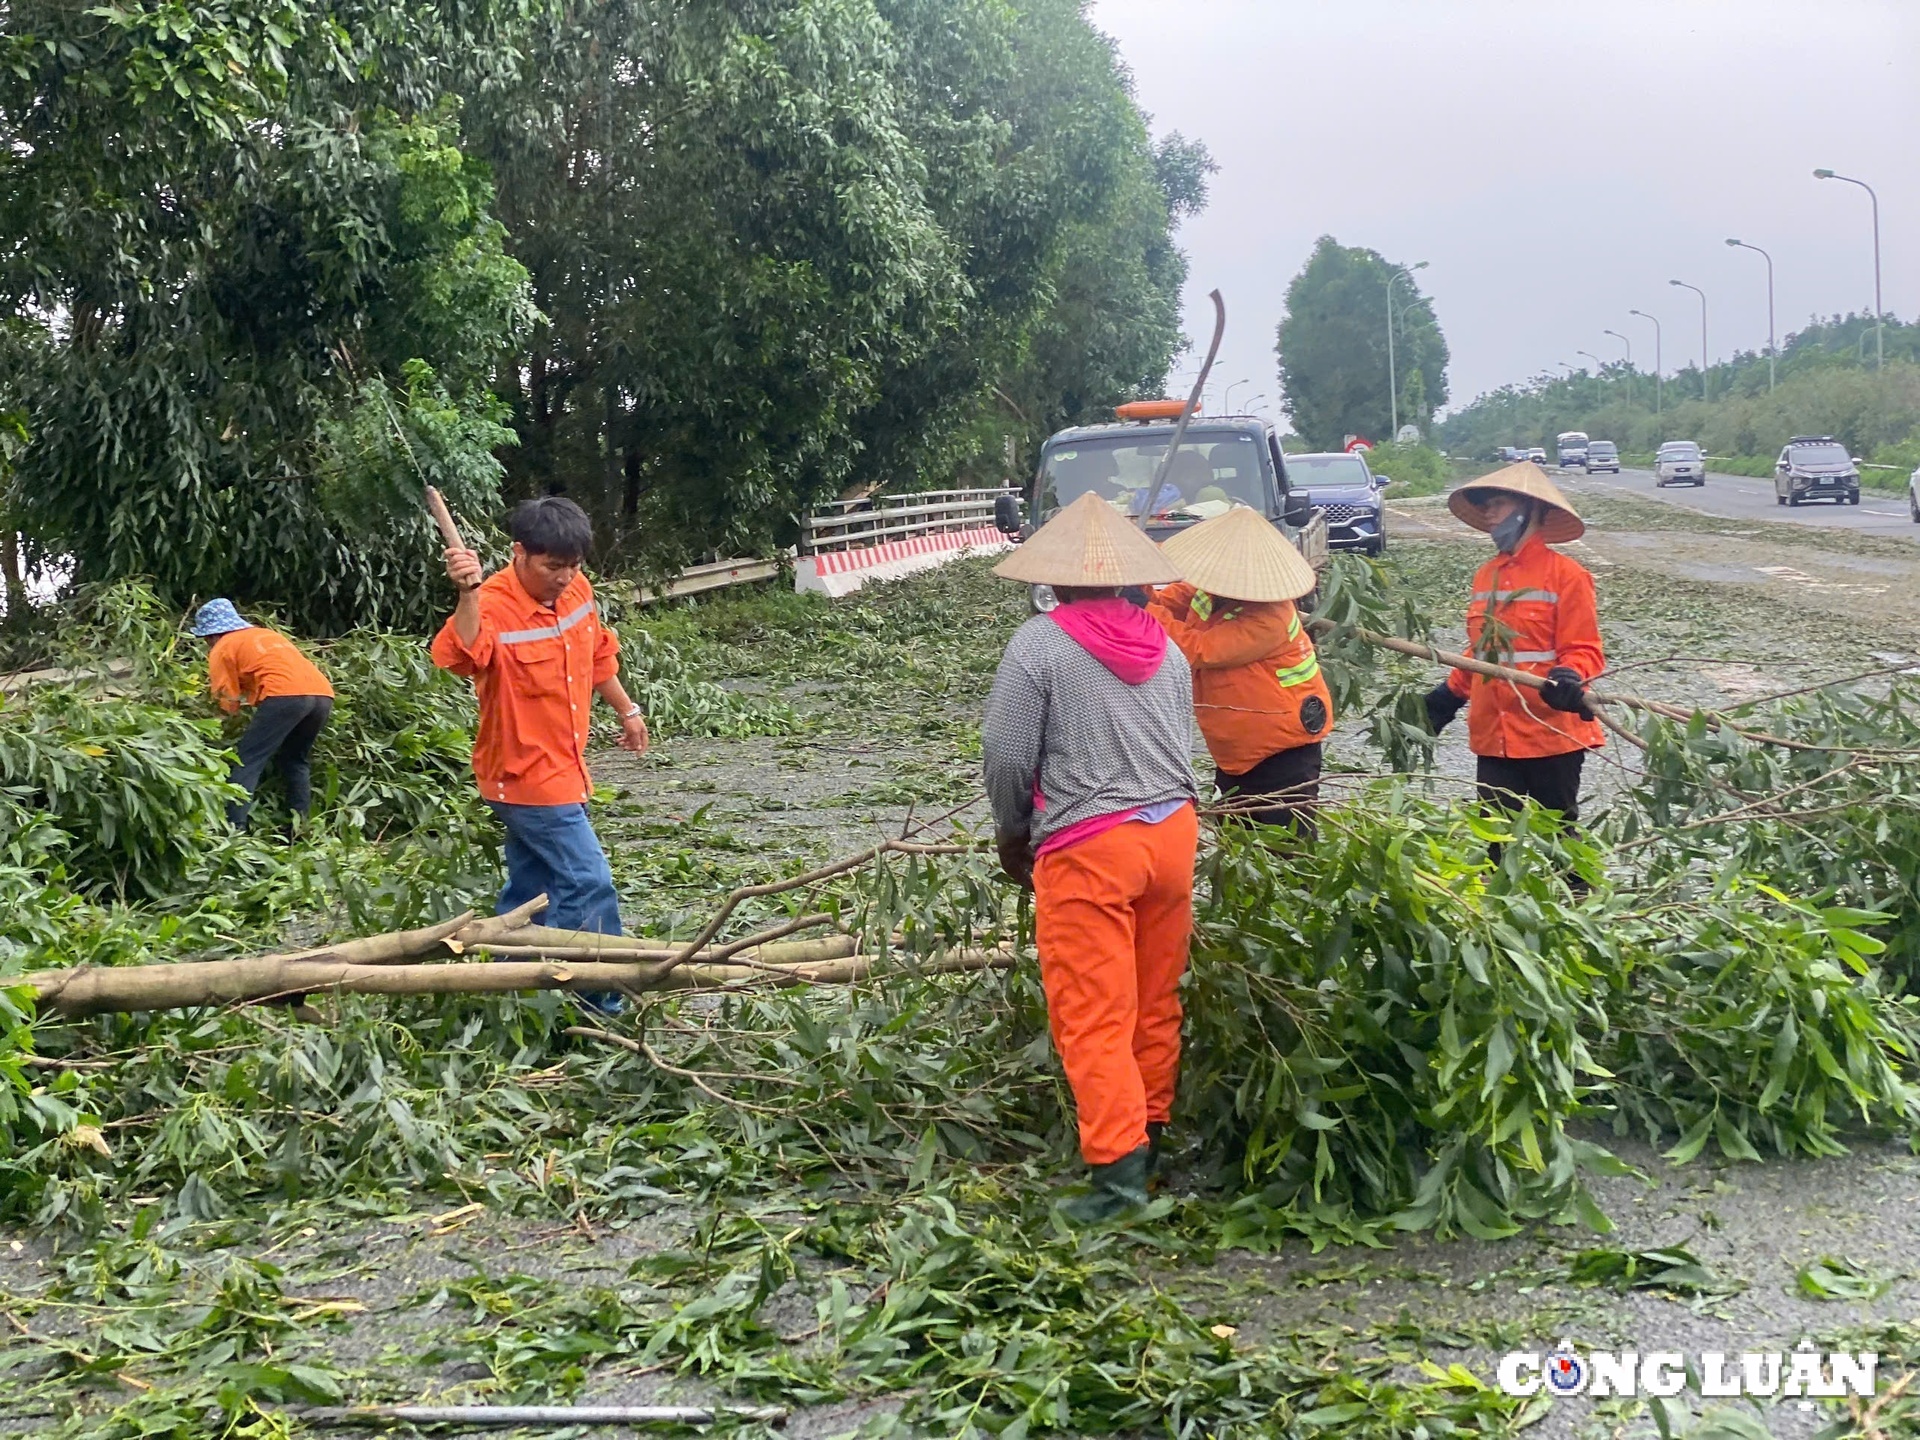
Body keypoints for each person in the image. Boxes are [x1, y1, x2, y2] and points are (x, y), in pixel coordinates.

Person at [981, 492, 1199, 1223]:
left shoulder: (1039, 644)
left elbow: (1007, 753)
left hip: (1093, 848)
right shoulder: (1166, 646)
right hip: (1173, 835)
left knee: (1093, 1014)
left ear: (1057, 579)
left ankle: (1117, 1180)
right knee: (1153, 998)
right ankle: (1152, 1140)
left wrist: (1013, 831)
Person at [430, 496, 650, 1013]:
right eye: (553, 566)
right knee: (587, 880)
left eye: (573, 566)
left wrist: (627, 710)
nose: (565, 577)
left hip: (567, 767)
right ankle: (597, 1000)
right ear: (520, 554)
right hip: (523, 776)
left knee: (535, 889)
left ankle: (510, 991)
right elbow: (460, 655)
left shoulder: (577, 591)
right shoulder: (491, 606)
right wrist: (466, 593)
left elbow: (598, 653)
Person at [1424, 462, 1604, 829]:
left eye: (1498, 504)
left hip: (1549, 734)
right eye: (1486, 505)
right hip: (1493, 736)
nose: (1489, 514)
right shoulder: (1486, 575)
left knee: (1556, 841)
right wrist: (1448, 696)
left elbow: (1585, 648)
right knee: (1496, 843)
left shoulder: (1568, 576)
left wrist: (1570, 675)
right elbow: (1483, 653)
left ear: (1530, 509)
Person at [1149, 506, 1332, 836]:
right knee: (1236, 845)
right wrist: (1137, 592)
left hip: (1282, 750)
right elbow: (1164, 605)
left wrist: (1140, 608)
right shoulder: (1208, 590)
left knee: (1285, 849)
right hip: (1237, 750)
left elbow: (1196, 649)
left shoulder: (1269, 617)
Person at [190, 599, 335, 830]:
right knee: (294, 760)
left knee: (247, 759)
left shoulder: (223, 647)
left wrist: (215, 731)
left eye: (206, 639)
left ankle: (234, 830)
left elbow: (225, 699)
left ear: (213, 635)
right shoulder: (266, 635)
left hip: (285, 696)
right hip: (322, 694)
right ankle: (298, 831)